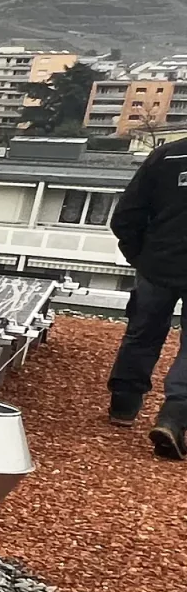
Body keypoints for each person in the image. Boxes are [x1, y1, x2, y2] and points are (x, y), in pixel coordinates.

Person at [109, 137, 187, 455]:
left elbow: (126, 217)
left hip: (158, 264)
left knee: (142, 332)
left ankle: (124, 405)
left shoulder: (167, 156)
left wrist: (141, 257)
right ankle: (174, 417)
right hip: (156, 261)